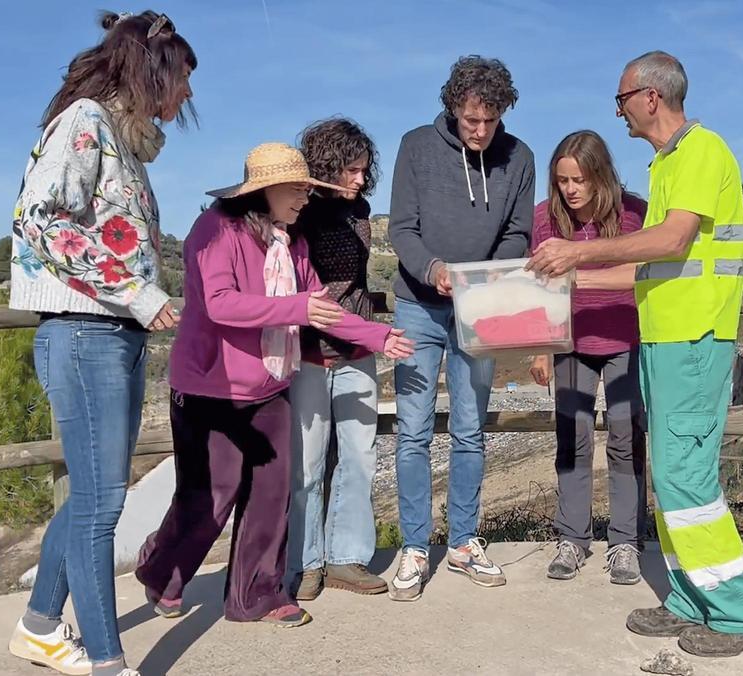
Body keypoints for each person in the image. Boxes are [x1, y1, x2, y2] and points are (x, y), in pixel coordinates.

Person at [528, 51, 743, 657]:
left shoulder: (701, 151)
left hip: (695, 339)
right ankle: (693, 598)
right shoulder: (668, 162)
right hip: (667, 339)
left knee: (684, 474)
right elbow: (650, 266)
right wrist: (567, 279)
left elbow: (671, 239)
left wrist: (577, 255)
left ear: (649, 96)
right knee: (667, 477)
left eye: (620, 99)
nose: (617, 110)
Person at [133, 143, 413, 628]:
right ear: (266, 190)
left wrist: (379, 336)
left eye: (309, 188)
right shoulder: (215, 229)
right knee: (212, 497)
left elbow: (320, 308)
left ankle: (254, 596)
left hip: (269, 386)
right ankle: (161, 570)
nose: (306, 197)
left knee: (271, 493)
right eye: (299, 188)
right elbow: (221, 304)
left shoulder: (292, 243)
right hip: (210, 388)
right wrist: (298, 309)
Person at [7, 11, 194, 676]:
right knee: (102, 505)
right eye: (183, 82)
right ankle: (109, 664)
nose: (186, 98)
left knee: (93, 496)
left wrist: (139, 306)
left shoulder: (119, 138)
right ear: (155, 73)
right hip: (85, 333)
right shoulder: (86, 121)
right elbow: (39, 219)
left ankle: (37, 628)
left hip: (108, 334)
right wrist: (142, 295)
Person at [387, 55, 536, 601]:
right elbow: (401, 229)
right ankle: (414, 546)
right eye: (471, 120)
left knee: (471, 429)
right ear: (452, 108)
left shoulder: (520, 157)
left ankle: (465, 542)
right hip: (417, 308)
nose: (479, 131)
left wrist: (480, 279)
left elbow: (519, 233)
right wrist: (432, 269)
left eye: (490, 122)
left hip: (481, 309)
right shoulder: (415, 147)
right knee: (413, 432)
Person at [527, 130, 648, 585]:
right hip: (569, 345)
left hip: (625, 341)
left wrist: (576, 276)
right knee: (571, 443)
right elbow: (539, 285)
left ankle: (624, 543)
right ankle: (572, 540)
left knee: (625, 439)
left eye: (579, 179)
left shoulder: (635, 212)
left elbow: (640, 274)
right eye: (562, 181)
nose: (570, 190)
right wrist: (541, 346)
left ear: (601, 175)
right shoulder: (544, 219)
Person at [286, 119, 388, 600]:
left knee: (359, 456)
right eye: (351, 170)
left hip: (357, 348)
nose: (360, 179)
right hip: (307, 351)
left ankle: (346, 557)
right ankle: (306, 563)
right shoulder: (297, 215)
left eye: (365, 170)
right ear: (326, 168)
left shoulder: (360, 209)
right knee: (305, 465)